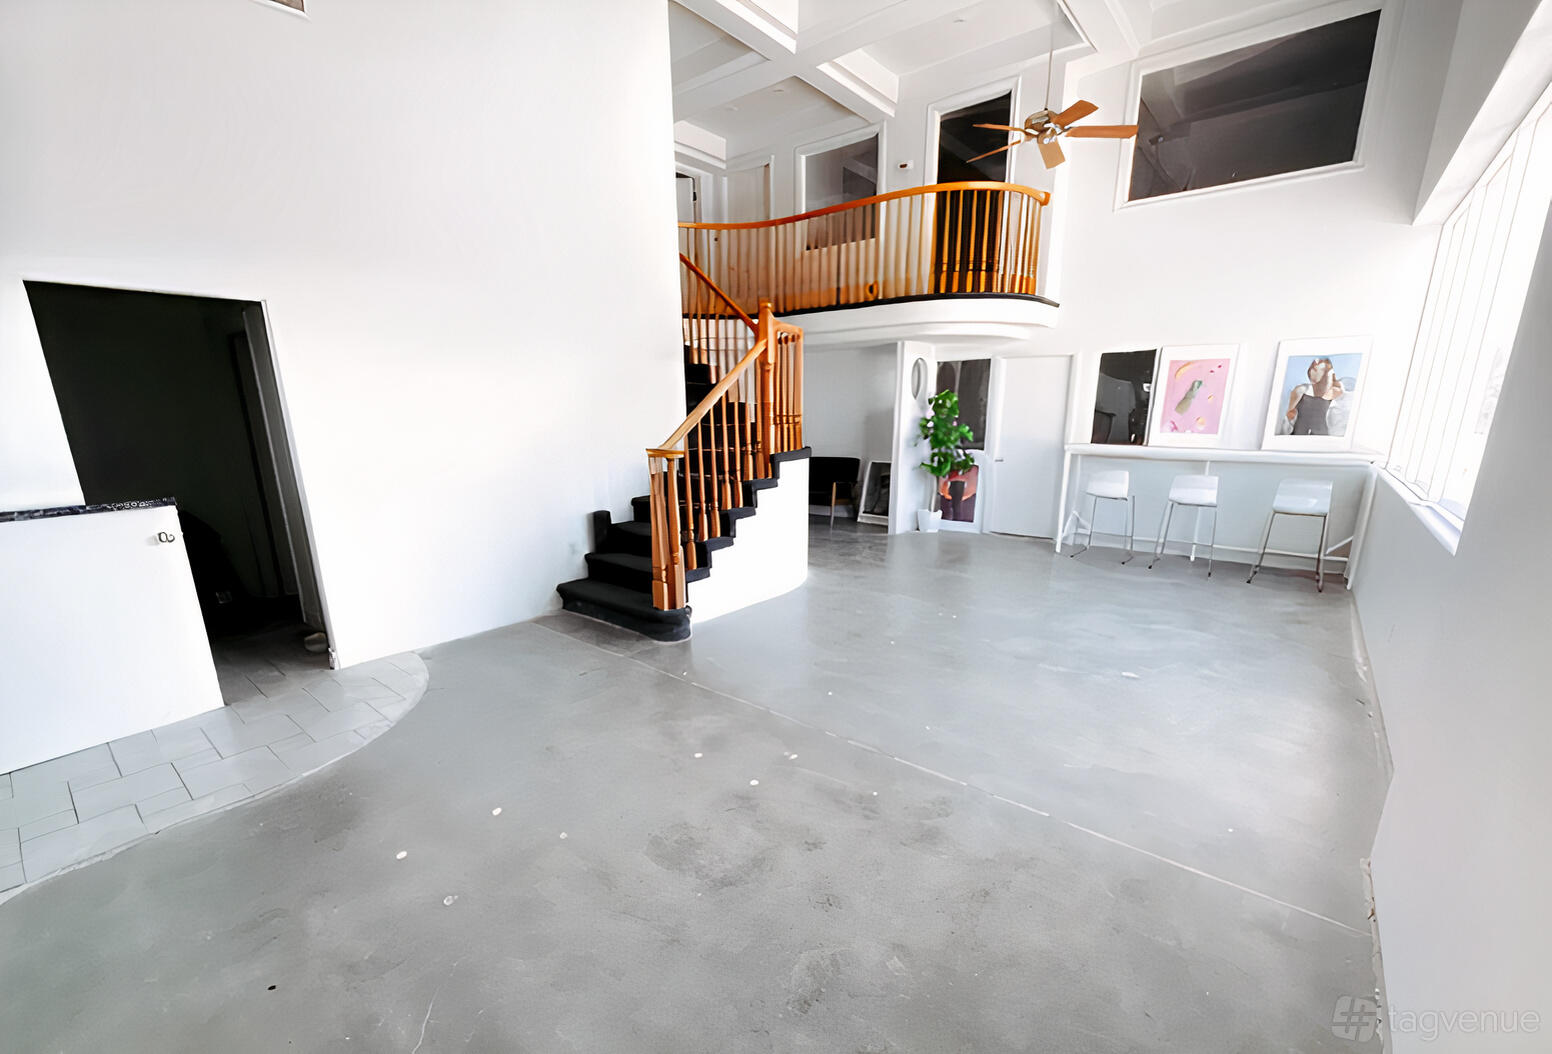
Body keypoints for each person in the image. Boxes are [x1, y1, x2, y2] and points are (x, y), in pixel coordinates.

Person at [1286, 357, 1345, 436]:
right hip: (1298, 437)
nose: (1314, 367)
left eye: (1316, 368)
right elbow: (1288, 416)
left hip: (1322, 440)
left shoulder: (1334, 393)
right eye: (1313, 367)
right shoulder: (1300, 390)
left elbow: (1340, 390)